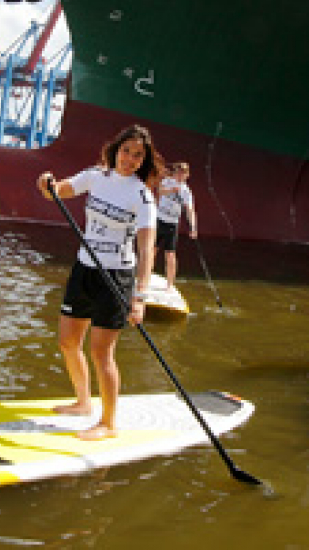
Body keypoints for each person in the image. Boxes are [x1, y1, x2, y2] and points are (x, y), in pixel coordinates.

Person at [37, 124, 163, 440]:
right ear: (115, 149)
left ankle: (108, 424)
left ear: (143, 161)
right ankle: (82, 403)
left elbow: (147, 248)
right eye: (126, 151)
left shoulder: (142, 196)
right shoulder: (96, 176)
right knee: (67, 342)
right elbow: (58, 192)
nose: (130, 159)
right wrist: (46, 183)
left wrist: (140, 296)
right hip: (84, 270)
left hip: (116, 277)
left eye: (137, 156)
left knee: (101, 353)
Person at [155, 162, 198, 289]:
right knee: (152, 250)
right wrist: (171, 190)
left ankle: (169, 284)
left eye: (183, 173)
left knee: (170, 254)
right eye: (178, 172)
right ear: (174, 173)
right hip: (159, 220)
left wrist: (193, 227)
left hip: (172, 224)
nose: (180, 175)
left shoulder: (186, 191)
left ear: (187, 175)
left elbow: (190, 210)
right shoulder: (167, 181)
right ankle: (144, 276)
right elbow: (159, 191)